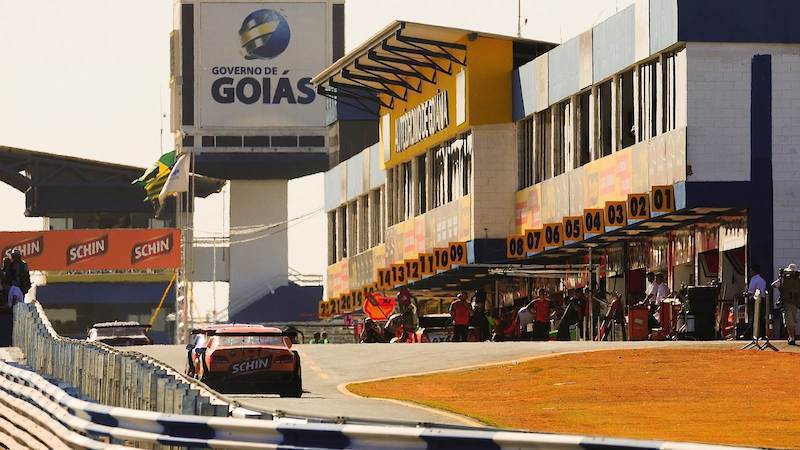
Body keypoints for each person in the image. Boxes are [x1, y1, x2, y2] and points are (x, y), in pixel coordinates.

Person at [774, 263, 800, 345]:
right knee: (791, 322)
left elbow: (774, 285)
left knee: (790, 322)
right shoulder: (796, 279)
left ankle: (792, 337)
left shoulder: (784, 279)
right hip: (793, 303)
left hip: (789, 303)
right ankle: (792, 337)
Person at [747, 264, 768, 336]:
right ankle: (762, 334)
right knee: (761, 317)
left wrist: (747, 294)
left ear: (754, 271)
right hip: (762, 299)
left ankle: (749, 333)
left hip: (755, 299)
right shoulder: (762, 280)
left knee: (754, 316)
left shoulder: (754, 279)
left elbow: (751, 291)